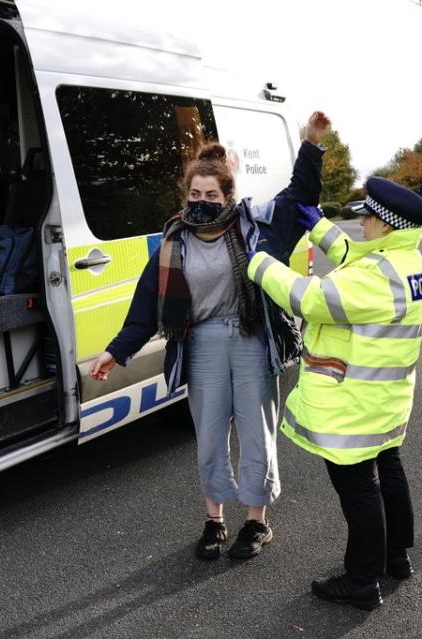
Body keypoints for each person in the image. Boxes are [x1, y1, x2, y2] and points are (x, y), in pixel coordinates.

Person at [89, 112, 331, 560]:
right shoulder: (173, 242)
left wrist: (312, 145)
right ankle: (214, 521)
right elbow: (145, 309)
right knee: (210, 435)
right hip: (199, 345)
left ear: (227, 196)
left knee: (257, 434)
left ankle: (257, 523)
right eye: (194, 194)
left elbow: (300, 196)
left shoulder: (254, 229)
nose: (201, 201)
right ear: (186, 196)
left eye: (210, 194)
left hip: (250, 339)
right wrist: (114, 353)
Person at [247, 177, 422, 609]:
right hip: (386, 398)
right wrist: (319, 227)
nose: (363, 223)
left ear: (386, 225)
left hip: (356, 403)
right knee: (388, 470)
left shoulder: (379, 278)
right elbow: (357, 258)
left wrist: (259, 263)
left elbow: (311, 298)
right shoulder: (408, 261)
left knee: (358, 488)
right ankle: (396, 556)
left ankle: (362, 581)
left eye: (368, 217)